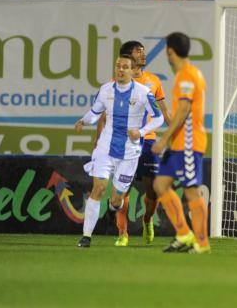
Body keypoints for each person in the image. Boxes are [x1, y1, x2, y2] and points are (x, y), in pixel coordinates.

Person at [74, 55, 164, 248]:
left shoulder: (143, 92)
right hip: (105, 148)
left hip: (130, 153)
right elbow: (95, 112)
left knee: (116, 201)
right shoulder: (105, 90)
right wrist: (83, 120)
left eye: (125, 67)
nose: (121, 70)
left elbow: (159, 118)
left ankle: (117, 204)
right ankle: (86, 236)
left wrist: (140, 132)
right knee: (98, 188)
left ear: (132, 71)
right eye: (118, 66)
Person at [151, 32, 211, 254]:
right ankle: (184, 234)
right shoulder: (188, 74)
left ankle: (202, 243)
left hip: (188, 142)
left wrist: (163, 139)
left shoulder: (187, 75)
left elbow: (184, 111)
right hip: (179, 143)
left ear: (169, 51)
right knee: (160, 185)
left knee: (191, 192)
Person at [112, 41, 170, 246]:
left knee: (153, 191)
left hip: (148, 141)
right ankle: (123, 234)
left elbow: (163, 110)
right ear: (128, 56)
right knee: (123, 189)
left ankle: (147, 220)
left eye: (144, 51)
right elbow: (107, 112)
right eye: (138, 51)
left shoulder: (153, 81)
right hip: (125, 142)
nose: (143, 55)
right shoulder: (118, 81)